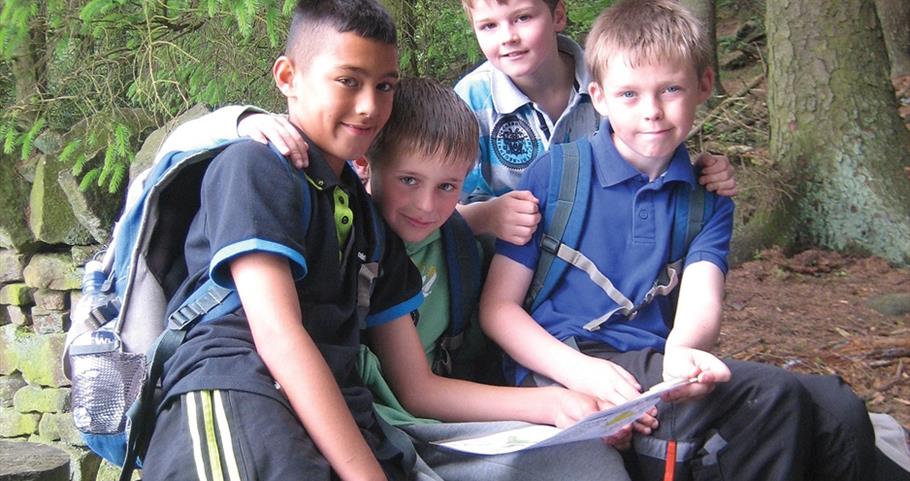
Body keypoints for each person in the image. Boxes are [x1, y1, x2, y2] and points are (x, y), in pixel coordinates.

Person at [157, 77, 636, 481]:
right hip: (338, 418)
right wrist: (242, 120)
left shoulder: (446, 246)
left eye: (448, 186)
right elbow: (406, 386)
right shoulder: (345, 230)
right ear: (366, 164)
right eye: (409, 180)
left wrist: (557, 404)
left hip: (408, 424)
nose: (427, 205)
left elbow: (424, 382)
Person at [479, 1, 876, 480]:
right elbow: (498, 309)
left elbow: (701, 298)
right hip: (567, 361)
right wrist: (580, 372)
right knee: (772, 398)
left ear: (703, 86)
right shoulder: (558, 173)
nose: (651, 112)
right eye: (629, 94)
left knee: (840, 408)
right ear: (599, 97)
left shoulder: (707, 199)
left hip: (656, 365)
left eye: (670, 89)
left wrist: (685, 352)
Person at [141, 2, 431, 480]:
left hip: (328, 408)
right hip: (236, 391)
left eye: (385, 86)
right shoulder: (254, 166)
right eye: (348, 80)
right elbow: (277, 334)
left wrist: (558, 404)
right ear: (287, 76)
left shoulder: (365, 215)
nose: (370, 106)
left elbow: (416, 385)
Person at [453, 0, 738, 245]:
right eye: (489, 26)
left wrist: (697, 172)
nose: (508, 37)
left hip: (597, 261)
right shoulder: (470, 100)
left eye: (523, 17)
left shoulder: (614, 81)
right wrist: (487, 216)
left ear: (558, 15)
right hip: (502, 268)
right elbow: (441, 204)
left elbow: (651, 150)